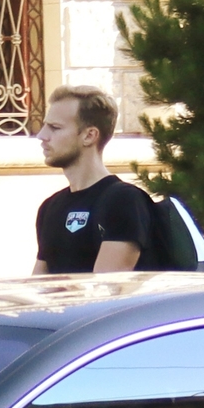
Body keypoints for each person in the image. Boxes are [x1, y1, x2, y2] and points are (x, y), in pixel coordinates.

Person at [32, 84, 155, 275]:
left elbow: (106, 292)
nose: (42, 135)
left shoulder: (124, 201)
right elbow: (39, 287)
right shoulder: (50, 207)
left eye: (55, 128)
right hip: (63, 306)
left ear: (89, 135)